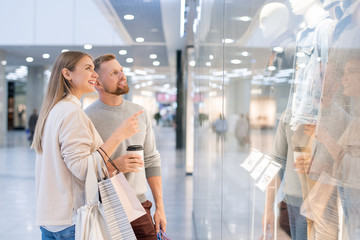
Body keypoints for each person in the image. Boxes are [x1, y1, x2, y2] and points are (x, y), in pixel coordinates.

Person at [32, 51, 142, 240]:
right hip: (72, 221)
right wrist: (118, 136)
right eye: (88, 68)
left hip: (51, 220)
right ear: (67, 74)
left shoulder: (54, 110)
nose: (95, 74)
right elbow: (82, 169)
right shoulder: (72, 112)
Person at [85, 53, 167, 240]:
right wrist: (115, 166)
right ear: (97, 83)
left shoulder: (140, 113)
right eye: (114, 73)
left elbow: (151, 159)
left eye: (121, 70)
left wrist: (160, 207)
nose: (122, 75)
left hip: (139, 205)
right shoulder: (87, 118)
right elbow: (82, 170)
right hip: (104, 208)